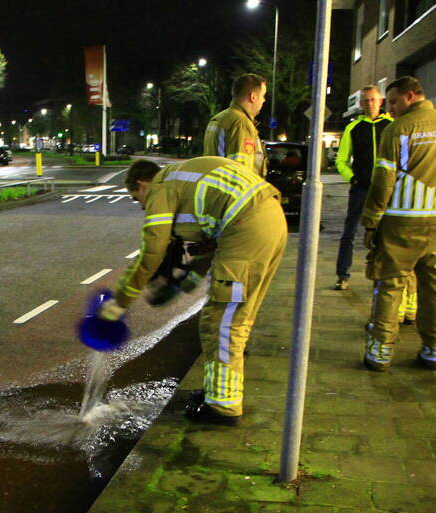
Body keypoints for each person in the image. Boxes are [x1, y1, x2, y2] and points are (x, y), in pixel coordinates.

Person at [96, 157, 287, 424]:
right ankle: (218, 393)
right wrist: (184, 283)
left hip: (248, 227)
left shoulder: (161, 189)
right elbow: (210, 245)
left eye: (136, 198)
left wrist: (120, 303)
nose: (141, 206)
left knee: (222, 322)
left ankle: (223, 407)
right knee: (233, 317)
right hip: (265, 222)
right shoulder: (181, 179)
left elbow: (152, 253)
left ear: (141, 185)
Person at [360, 76, 436, 371]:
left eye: (394, 101)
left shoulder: (397, 130)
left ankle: (380, 352)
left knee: (389, 285)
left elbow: (383, 180)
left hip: (401, 222)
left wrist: (372, 220)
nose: (390, 108)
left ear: (411, 96)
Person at [334, 86, 393, 291]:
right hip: (361, 188)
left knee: (385, 233)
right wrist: (353, 179)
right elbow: (341, 160)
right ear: (361, 104)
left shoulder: (391, 126)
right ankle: (343, 274)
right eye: (366, 101)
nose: (370, 104)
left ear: (380, 101)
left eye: (373, 100)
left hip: (386, 189)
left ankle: (382, 274)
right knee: (349, 232)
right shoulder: (354, 128)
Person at [204, 74, 269, 175]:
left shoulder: (219, 118)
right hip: (230, 189)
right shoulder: (241, 123)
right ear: (253, 97)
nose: (264, 100)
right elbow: (240, 173)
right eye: (263, 96)